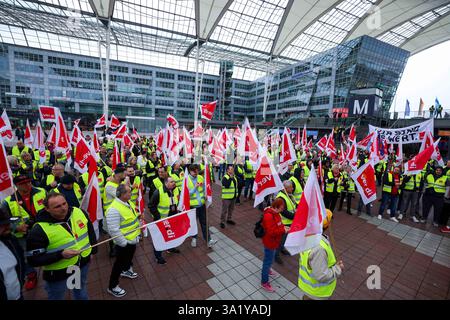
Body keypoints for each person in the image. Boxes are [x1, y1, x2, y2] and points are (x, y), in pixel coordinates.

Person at [26, 193, 97, 300]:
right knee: (57, 297)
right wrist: (60, 255)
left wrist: (93, 251)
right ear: (47, 209)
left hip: (79, 265)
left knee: (79, 290)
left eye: (64, 203)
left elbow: (90, 231)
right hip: (58, 273)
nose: (63, 208)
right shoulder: (39, 230)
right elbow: (33, 260)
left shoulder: (78, 211)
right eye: (57, 206)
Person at [1, 175, 47, 290]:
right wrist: (16, 227)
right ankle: (31, 275)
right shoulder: (8, 201)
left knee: (50, 249)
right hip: (23, 235)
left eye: (29, 182)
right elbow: (3, 222)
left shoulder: (42, 191)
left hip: (43, 229)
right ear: (16, 185)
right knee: (26, 256)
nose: (28, 185)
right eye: (23, 183)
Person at [298, 209, 343, 300]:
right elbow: (322, 276)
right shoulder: (319, 248)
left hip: (307, 287)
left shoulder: (306, 235)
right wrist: (338, 268)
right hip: (317, 293)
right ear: (327, 225)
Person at [105, 185, 141, 298]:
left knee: (128, 259)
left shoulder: (127, 203)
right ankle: (112, 286)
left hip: (132, 240)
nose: (131, 194)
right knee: (118, 265)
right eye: (129, 192)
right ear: (122, 194)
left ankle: (126, 270)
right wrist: (124, 243)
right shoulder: (114, 209)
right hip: (124, 243)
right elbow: (113, 230)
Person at [148, 177, 180, 264]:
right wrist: (158, 217)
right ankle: (158, 257)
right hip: (161, 220)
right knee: (160, 238)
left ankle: (170, 248)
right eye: (172, 182)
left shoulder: (176, 189)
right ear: (166, 183)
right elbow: (151, 206)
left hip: (172, 217)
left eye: (174, 181)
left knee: (171, 234)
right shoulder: (158, 192)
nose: (174, 183)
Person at [260, 198, 289, 293]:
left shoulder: (276, 214)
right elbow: (271, 232)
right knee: (267, 261)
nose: (282, 210)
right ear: (276, 207)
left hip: (274, 241)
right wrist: (283, 230)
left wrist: (283, 227)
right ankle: (264, 282)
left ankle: (268, 270)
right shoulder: (269, 216)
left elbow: (278, 225)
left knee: (269, 258)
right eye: (281, 208)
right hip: (270, 242)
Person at [187, 164, 217, 248]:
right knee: (193, 223)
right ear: (190, 171)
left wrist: (206, 194)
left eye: (197, 171)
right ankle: (194, 238)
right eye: (194, 172)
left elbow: (204, 188)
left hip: (202, 205)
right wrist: (195, 188)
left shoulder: (200, 177)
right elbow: (186, 194)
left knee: (204, 222)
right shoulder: (186, 179)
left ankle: (208, 240)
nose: (196, 173)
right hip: (193, 206)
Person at [0, 207, 26, 300]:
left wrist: (21, 281)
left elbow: (21, 262)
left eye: (8, 223)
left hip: (18, 295)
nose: (8, 226)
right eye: (2, 225)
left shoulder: (10, 240)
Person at [274, 180, 296, 265]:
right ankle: (276, 255)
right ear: (286, 188)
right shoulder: (281, 198)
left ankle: (282, 249)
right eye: (291, 187)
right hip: (283, 223)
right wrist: (294, 216)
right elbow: (283, 212)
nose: (293, 188)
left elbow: (292, 206)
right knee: (280, 240)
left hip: (288, 222)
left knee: (284, 239)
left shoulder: (288, 195)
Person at [220, 164, 237, 229]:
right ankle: (222, 222)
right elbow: (227, 185)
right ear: (227, 170)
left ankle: (229, 219)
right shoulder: (225, 177)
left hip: (233, 197)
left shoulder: (234, 177)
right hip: (227, 197)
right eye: (230, 169)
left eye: (232, 169)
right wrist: (230, 178)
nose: (232, 170)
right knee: (224, 210)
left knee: (231, 209)